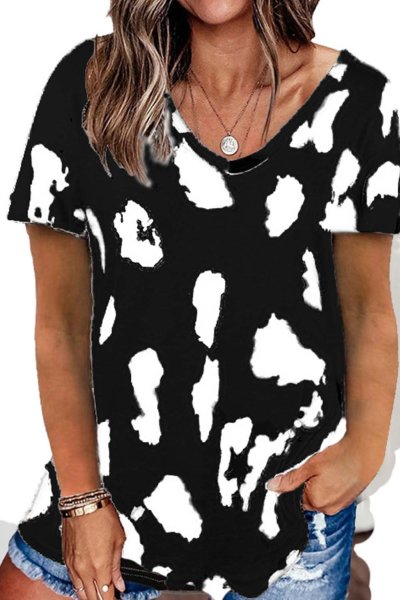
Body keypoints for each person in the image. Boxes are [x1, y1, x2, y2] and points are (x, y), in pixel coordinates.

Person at [1, 1, 399, 599]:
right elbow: (59, 324)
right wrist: (81, 500)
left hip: (290, 528)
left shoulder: (358, 103)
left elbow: (368, 312)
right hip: (110, 511)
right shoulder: (91, 87)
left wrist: (362, 451)